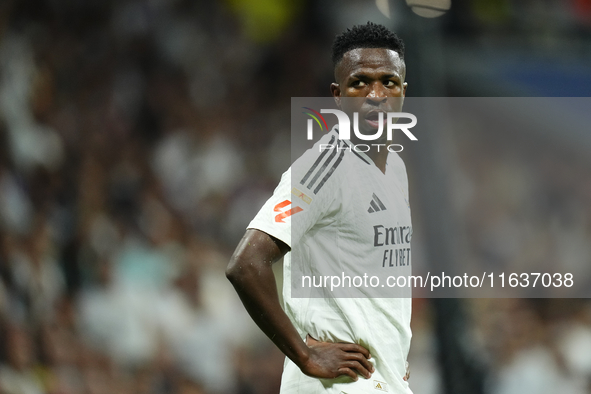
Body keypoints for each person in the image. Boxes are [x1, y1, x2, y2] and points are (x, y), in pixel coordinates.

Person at [226, 22, 413, 393]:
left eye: (388, 82)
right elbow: (246, 263)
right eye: (360, 82)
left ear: (404, 92)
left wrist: (392, 356)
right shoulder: (326, 166)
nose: (376, 94)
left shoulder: (396, 167)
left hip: (380, 379)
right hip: (340, 384)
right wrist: (306, 356)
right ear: (337, 95)